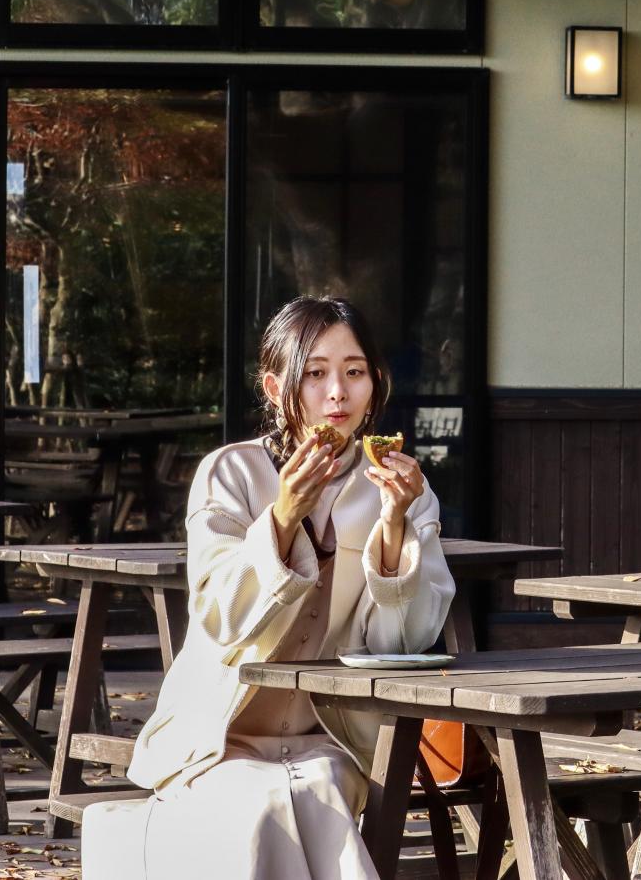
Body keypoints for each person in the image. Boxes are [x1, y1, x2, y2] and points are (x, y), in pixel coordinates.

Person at [84, 295, 455, 880]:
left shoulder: (403, 487)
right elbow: (220, 617)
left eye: (354, 373)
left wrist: (393, 525)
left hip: (330, 736)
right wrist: (281, 518)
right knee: (263, 807)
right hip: (215, 737)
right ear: (274, 384)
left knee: (320, 791)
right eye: (315, 374)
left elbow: (405, 642)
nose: (337, 393)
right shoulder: (231, 473)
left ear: (374, 383)